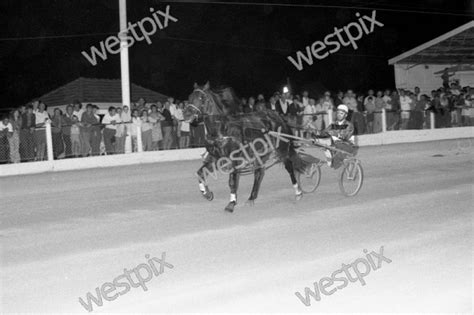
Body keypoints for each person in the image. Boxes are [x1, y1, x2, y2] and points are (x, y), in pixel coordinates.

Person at [314, 104, 355, 169]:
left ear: (346, 115)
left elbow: (345, 137)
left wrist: (333, 134)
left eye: (341, 113)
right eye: (338, 113)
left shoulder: (349, 125)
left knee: (333, 147)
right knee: (320, 142)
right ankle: (328, 157)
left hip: (347, 146)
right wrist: (316, 132)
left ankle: (333, 160)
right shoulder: (334, 124)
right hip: (336, 145)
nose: (339, 114)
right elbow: (325, 131)